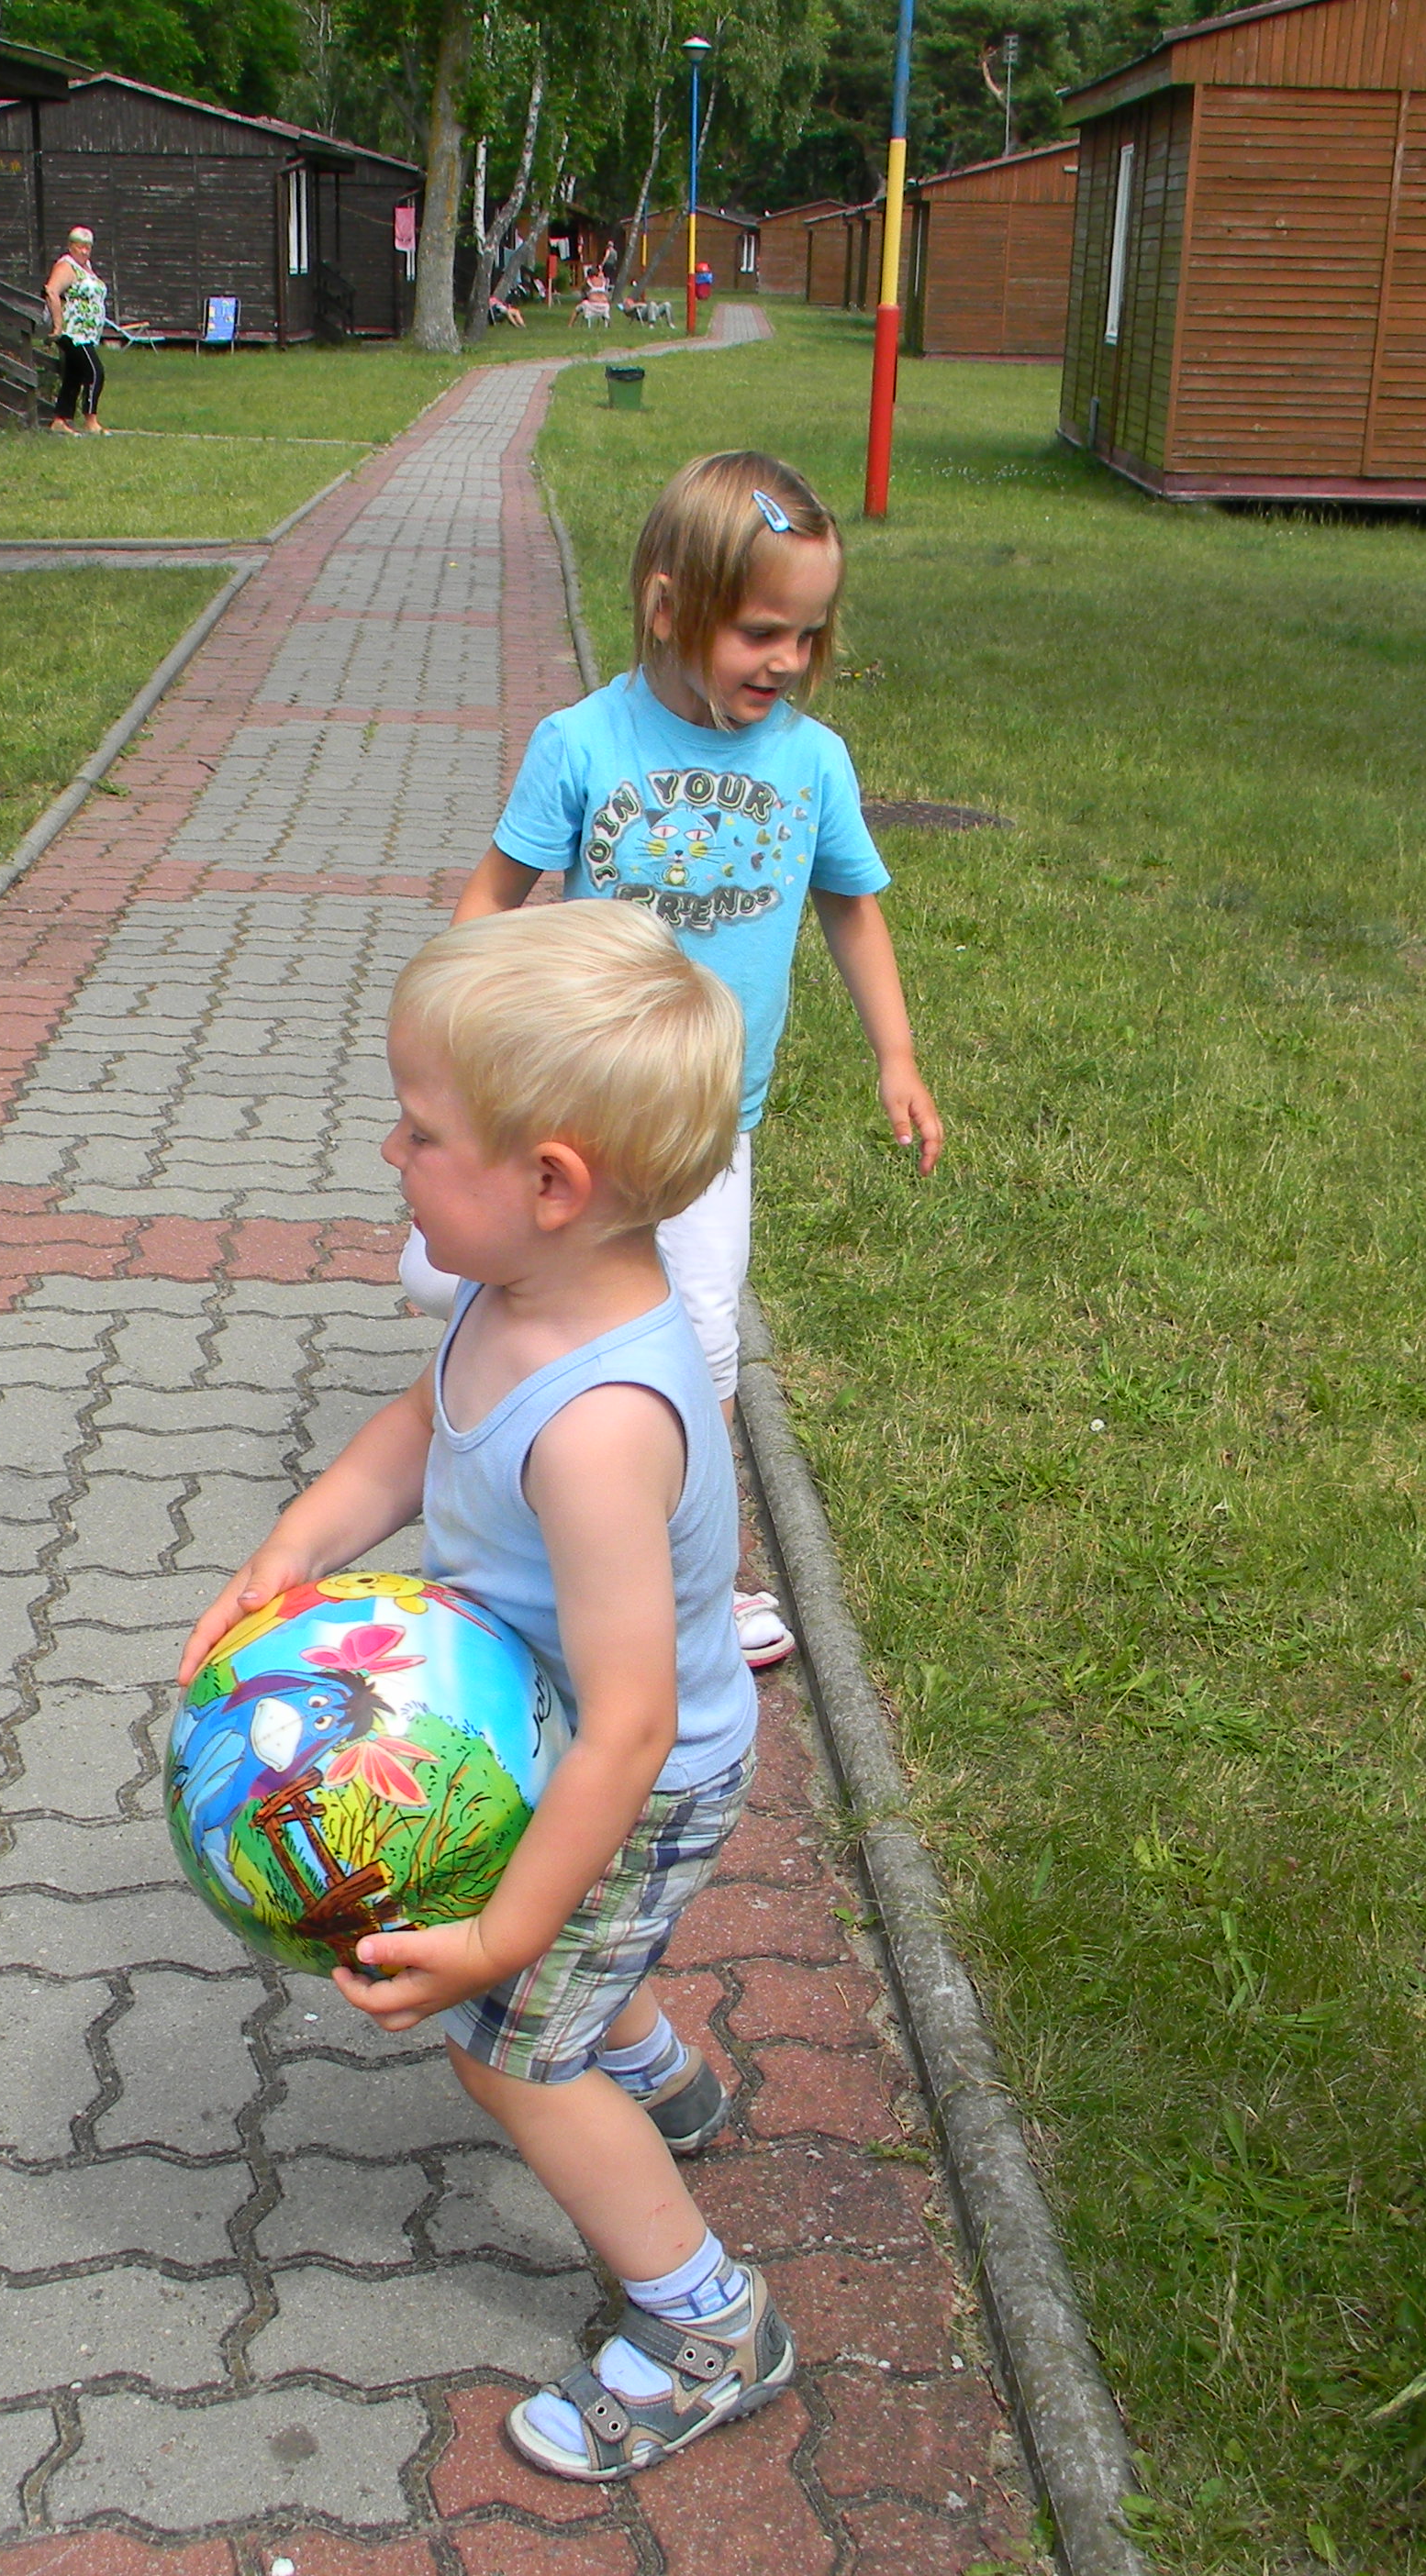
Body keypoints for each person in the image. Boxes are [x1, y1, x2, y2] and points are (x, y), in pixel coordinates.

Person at [178, 905, 789, 2482]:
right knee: (579, 1962)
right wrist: (297, 1544)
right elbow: (416, 1429)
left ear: (551, 1182)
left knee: (511, 2048)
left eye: (420, 1128)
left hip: (629, 1775)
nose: (391, 1151)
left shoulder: (600, 1429)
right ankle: (666, 2077)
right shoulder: (515, 1293)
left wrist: (507, 1936)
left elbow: (632, 1726)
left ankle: (707, 2326)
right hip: (556, 1734)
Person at [404, 449, 943, 1671]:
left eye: (808, 634)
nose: (788, 660)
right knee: (482, 1287)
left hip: (708, 1125)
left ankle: (698, 1580)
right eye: (760, 631)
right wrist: (457, 1033)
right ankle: (509, 1496)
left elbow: (852, 908)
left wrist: (897, 1055)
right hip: (577, 1109)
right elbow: (493, 897)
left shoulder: (813, 762)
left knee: (698, 1341)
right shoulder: (581, 743)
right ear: (666, 607)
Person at [44, 225, 109, 435]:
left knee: (73, 374)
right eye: (80, 247)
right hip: (73, 331)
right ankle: (91, 420)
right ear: (71, 246)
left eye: (88, 247)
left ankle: (60, 420)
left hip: (86, 333)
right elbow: (51, 291)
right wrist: (57, 325)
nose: (84, 251)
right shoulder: (66, 266)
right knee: (94, 371)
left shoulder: (86, 267)